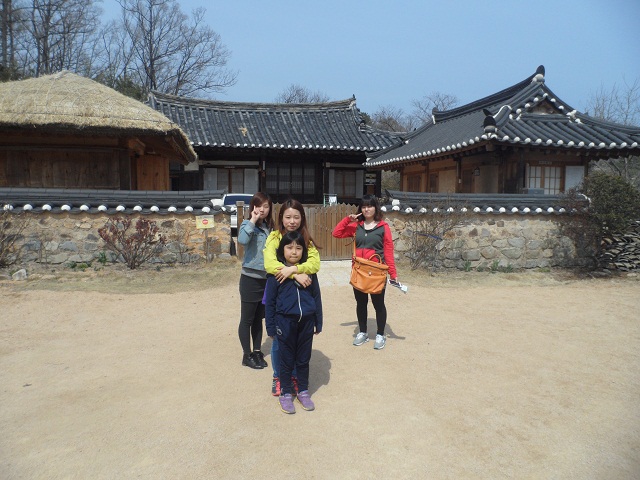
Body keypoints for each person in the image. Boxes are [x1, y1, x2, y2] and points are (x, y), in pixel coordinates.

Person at [263, 198, 320, 396]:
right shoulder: (274, 238)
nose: (292, 221)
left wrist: (294, 269)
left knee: (296, 342)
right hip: (280, 294)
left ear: (302, 218)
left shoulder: (306, 240)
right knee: (279, 342)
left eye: (296, 217)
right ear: (281, 218)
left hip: (300, 299)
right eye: (288, 217)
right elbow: (270, 264)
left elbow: (315, 264)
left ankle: (293, 377)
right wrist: (294, 274)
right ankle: (278, 376)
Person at [332, 194, 398, 350]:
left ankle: (380, 334)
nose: (367, 209)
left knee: (378, 304)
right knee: (361, 303)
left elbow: (388, 251)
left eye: (370, 206)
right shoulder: (357, 226)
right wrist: (348, 220)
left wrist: (393, 274)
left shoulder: (383, 227)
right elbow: (336, 233)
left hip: (376, 273)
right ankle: (363, 332)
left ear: (375, 208)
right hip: (359, 271)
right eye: (363, 206)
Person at [237, 192, 274, 369]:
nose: (262, 209)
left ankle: (257, 351)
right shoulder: (247, 224)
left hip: (266, 280)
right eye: (259, 206)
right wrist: (252, 219)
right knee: (247, 319)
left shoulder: (269, 228)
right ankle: (247, 354)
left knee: (259, 318)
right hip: (250, 279)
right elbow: (242, 240)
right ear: (253, 207)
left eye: (266, 206)